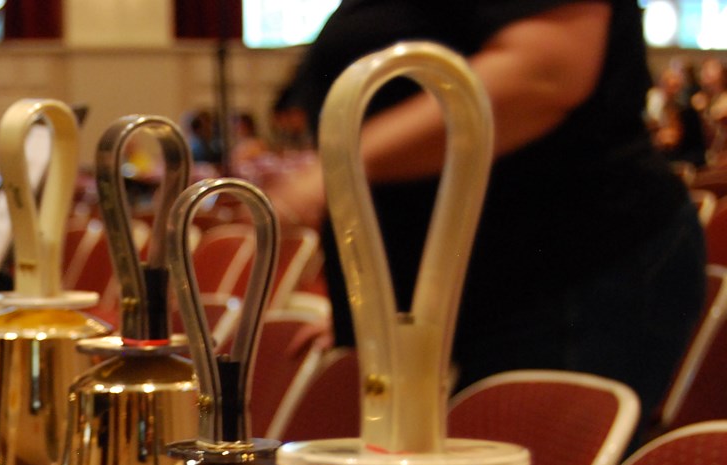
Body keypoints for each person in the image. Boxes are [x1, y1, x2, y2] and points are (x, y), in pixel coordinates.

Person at [265, 2, 705, 423]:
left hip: (567, 273)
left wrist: (337, 168)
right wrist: (374, 305)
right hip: (474, 297)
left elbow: (543, 74)